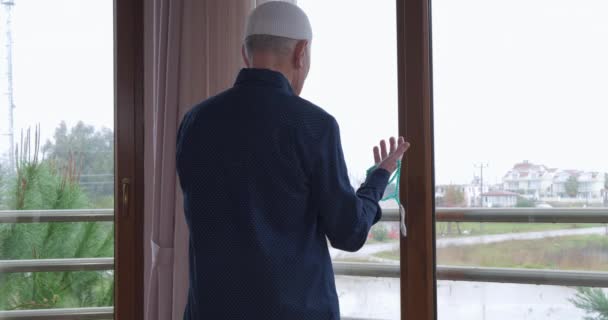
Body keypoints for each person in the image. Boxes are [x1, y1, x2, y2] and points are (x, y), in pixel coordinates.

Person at [176, 2, 410, 319]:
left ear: (246, 54)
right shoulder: (313, 125)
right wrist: (378, 178)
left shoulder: (195, 121)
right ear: (301, 53)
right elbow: (349, 231)